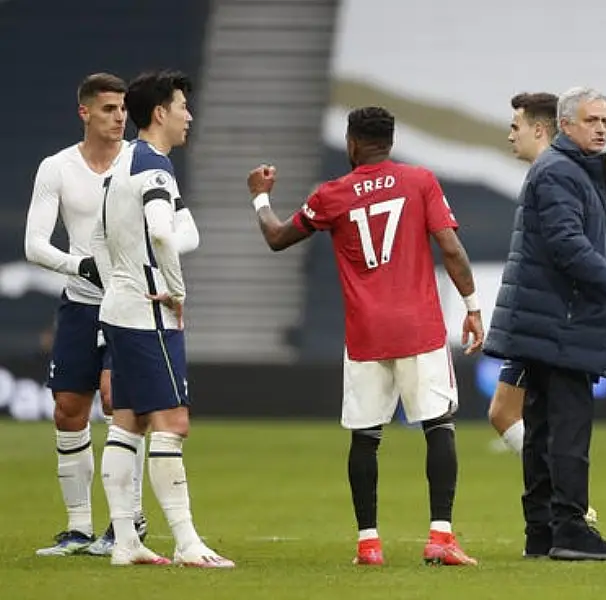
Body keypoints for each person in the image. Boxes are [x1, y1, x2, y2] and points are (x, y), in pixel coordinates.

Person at [246, 106, 483, 567]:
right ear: (389, 142)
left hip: (366, 333)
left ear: (352, 143)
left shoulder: (331, 195)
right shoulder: (420, 181)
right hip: (419, 328)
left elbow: (277, 237)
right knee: (439, 426)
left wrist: (260, 197)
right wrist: (473, 308)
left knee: (365, 436)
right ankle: (440, 537)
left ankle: (369, 544)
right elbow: (451, 247)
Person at [26, 73, 199, 557]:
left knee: (118, 400)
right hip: (82, 298)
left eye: (123, 108)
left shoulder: (138, 163)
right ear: (85, 112)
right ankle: (80, 527)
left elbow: (178, 228)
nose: (119, 117)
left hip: (126, 300)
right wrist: (79, 264)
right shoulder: (57, 168)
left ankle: (129, 523)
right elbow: (34, 244)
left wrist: (151, 264)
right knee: (69, 408)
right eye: (107, 109)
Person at [484, 87, 606, 561]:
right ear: (566, 125)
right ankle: (570, 528)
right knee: (568, 430)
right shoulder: (560, 171)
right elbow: (568, 245)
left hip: (549, 318)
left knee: (540, 429)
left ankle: (542, 531)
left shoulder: (568, 169)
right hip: (561, 320)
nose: (601, 128)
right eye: (592, 120)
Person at [95, 70, 232, 568]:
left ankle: (127, 542)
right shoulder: (154, 168)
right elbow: (163, 234)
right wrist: (176, 290)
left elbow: (100, 239)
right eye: (182, 106)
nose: (188, 115)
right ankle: (186, 541)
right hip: (149, 312)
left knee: (127, 423)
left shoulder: (121, 164)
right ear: (160, 113)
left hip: (120, 305)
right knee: (173, 423)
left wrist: (123, 283)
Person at [499, 91, 599, 526]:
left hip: (546, 322)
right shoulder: (552, 172)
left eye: (515, 127)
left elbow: (569, 249)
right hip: (536, 319)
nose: (509, 136)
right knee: (516, 414)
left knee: (518, 414)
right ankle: (556, 513)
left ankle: (564, 511)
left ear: (540, 129)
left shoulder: (554, 172)